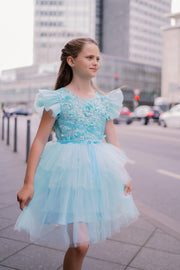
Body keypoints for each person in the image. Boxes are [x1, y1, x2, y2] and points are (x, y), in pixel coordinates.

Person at [14, 37, 139, 270]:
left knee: (81, 244)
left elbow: (113, 140)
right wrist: (28, 182)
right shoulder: (58, 98)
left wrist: (123, 174)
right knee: (81, 244)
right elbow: (40, 140)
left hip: (97, 175)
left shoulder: (104, 101)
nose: (96, 62)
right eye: (89, 57)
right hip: (68, 174)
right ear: (71, 61)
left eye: (98, 58)